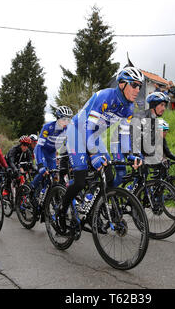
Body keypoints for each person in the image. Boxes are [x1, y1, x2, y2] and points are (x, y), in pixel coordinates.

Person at [58, 66, 144, 232]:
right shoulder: (105, 96)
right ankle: (62, 210)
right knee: (80, 179)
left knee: (110, 176)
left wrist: (129, 155)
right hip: (77, 132)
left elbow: (124, 134)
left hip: (94, 136)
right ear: (122, 84)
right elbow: (87, 126)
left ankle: (92, 212)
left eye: (139, 86)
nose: (137, 90)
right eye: (134, 85)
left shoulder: (129, 107)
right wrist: (94, 153)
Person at [29, 106, 72, 193]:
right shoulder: (48, 127)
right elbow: (39, 146)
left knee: (52, 175)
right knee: (43, 172)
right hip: (42, 151)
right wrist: (41, 165)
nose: (66, 122)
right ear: (58, 118)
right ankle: (31, 189)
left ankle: (45, 195)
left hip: (52, 153)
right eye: (64, 119)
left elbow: (69, 146)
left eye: (68, 119)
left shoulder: (68, 129)